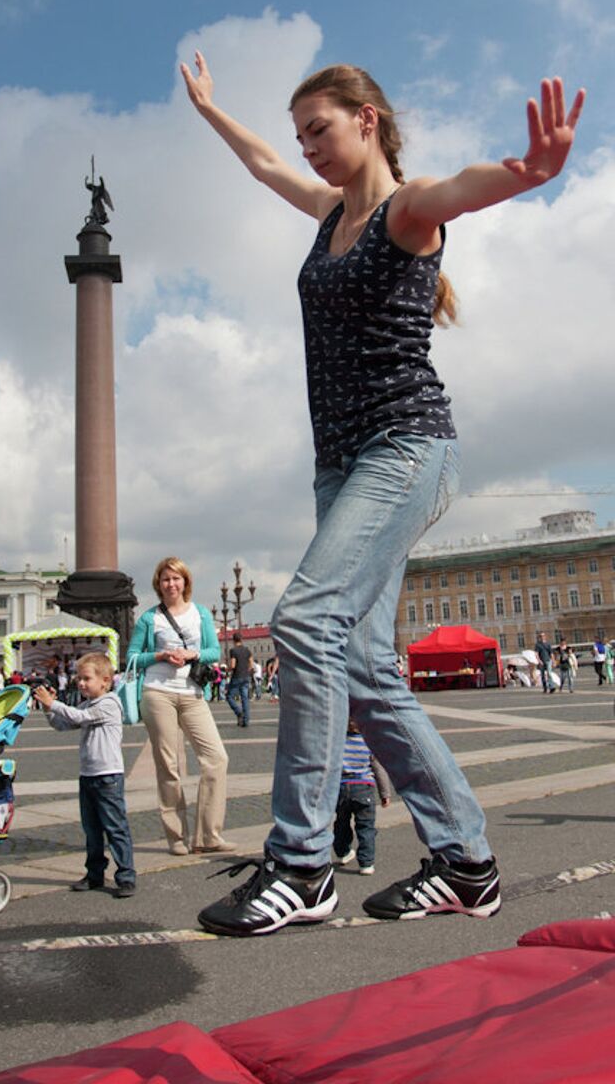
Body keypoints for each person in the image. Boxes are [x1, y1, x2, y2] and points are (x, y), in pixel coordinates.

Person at [182, 50, 584, 936]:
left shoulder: (405, 211)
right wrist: (214, 111)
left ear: (367, 119)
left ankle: (302, 863)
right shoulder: (328, 213)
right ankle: (466, 862)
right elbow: (262, 167)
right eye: (301, 135)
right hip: (343, 467)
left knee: (304, 621)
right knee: (363, 668)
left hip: (406, 449)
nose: (309, 149)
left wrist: (528, 172)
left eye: (320, 130)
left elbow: (462, 191)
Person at [127, 557, 235, 856]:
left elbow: (213, 651)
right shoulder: (150, 618)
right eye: (165, 579)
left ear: (185, 582)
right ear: (158, 584)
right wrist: (161, 656)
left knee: (216, 758)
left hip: (192, 694)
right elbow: (132, 657)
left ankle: (208, 836)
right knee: (169, 766)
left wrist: (191, 653)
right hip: (157, 693)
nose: (171, 584)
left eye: (176, 578)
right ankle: (176, 836)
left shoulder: (200, 614)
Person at [34, 652, 136, 897]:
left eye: (86, 678)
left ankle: (126, 876)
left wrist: (54, 704)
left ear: (105, 681)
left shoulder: (110, 703)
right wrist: (49, 710)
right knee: (91, 830)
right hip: (88, 775)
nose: (80, 683)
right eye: (79, 678)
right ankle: (94, 875)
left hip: (109, 776)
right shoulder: (88, 703)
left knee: (115, 827)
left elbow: (80, 718)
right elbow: (62, 724)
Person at [333, 718, 392, 874]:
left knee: (341, 823)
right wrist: (385, 793)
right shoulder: (369, 742)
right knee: (366, 827)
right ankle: (366, 863)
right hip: (364, 788)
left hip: (342, 787)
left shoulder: (338, 742)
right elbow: (379, 769)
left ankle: (342, 852)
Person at [226, 632, 253, 727]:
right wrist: (247, 671)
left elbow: (233, 665)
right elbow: (251, 664)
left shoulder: (233, 650)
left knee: (229, 697)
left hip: (237, 676)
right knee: (244, 698)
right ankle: (246, 721)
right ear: (241, 639)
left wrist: (227, 669)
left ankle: (239, 712)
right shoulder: (247, 650)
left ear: (233, 640)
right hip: (246, 677)